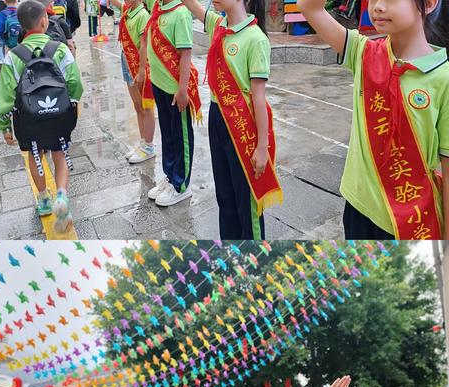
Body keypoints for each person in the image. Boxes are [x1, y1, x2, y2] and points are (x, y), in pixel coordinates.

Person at [298, 0, 449, 240]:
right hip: (359, 208)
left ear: (428, 3)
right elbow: (308, 7)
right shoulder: (364, 53)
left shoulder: (443, 78)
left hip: (412, 220)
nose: (377, 6)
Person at [180, 0, 283, 239]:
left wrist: (261, 147)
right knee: (225, 196)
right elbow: (193, 6)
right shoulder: (219, 25)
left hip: (243, 125)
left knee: (246, 200)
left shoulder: (255, 39)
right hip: (218, 118)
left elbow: (258, 97)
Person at [0, 0, 83, 232]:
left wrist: (5, 125)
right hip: (59, 115)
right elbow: (75, 84)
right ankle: (61, 197)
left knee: (35, 154)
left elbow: (5, 96)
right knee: (59, 153)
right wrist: (71, 104)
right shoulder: (60, 49)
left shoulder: (13, 57)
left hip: (28, 120)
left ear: (22, 26)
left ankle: (43, 199)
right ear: (44, 21)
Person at [141, 0, 202, 206]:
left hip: (176, 89)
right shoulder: (157, 7)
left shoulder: (181, 13)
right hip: (159, 84)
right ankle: (169, 176)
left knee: (180, 136)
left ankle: (181, 185)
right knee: (167, 135)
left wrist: (183, 89)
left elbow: (185, 53)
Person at [110, 0, 156, 163]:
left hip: (138, 64)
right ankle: (142, 143)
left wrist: (142, 70)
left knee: (146, 106)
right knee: (137, 106)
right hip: (126, 61)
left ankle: (149, 146)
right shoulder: (128, 10)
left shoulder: (142, 15)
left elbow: (144, 45)